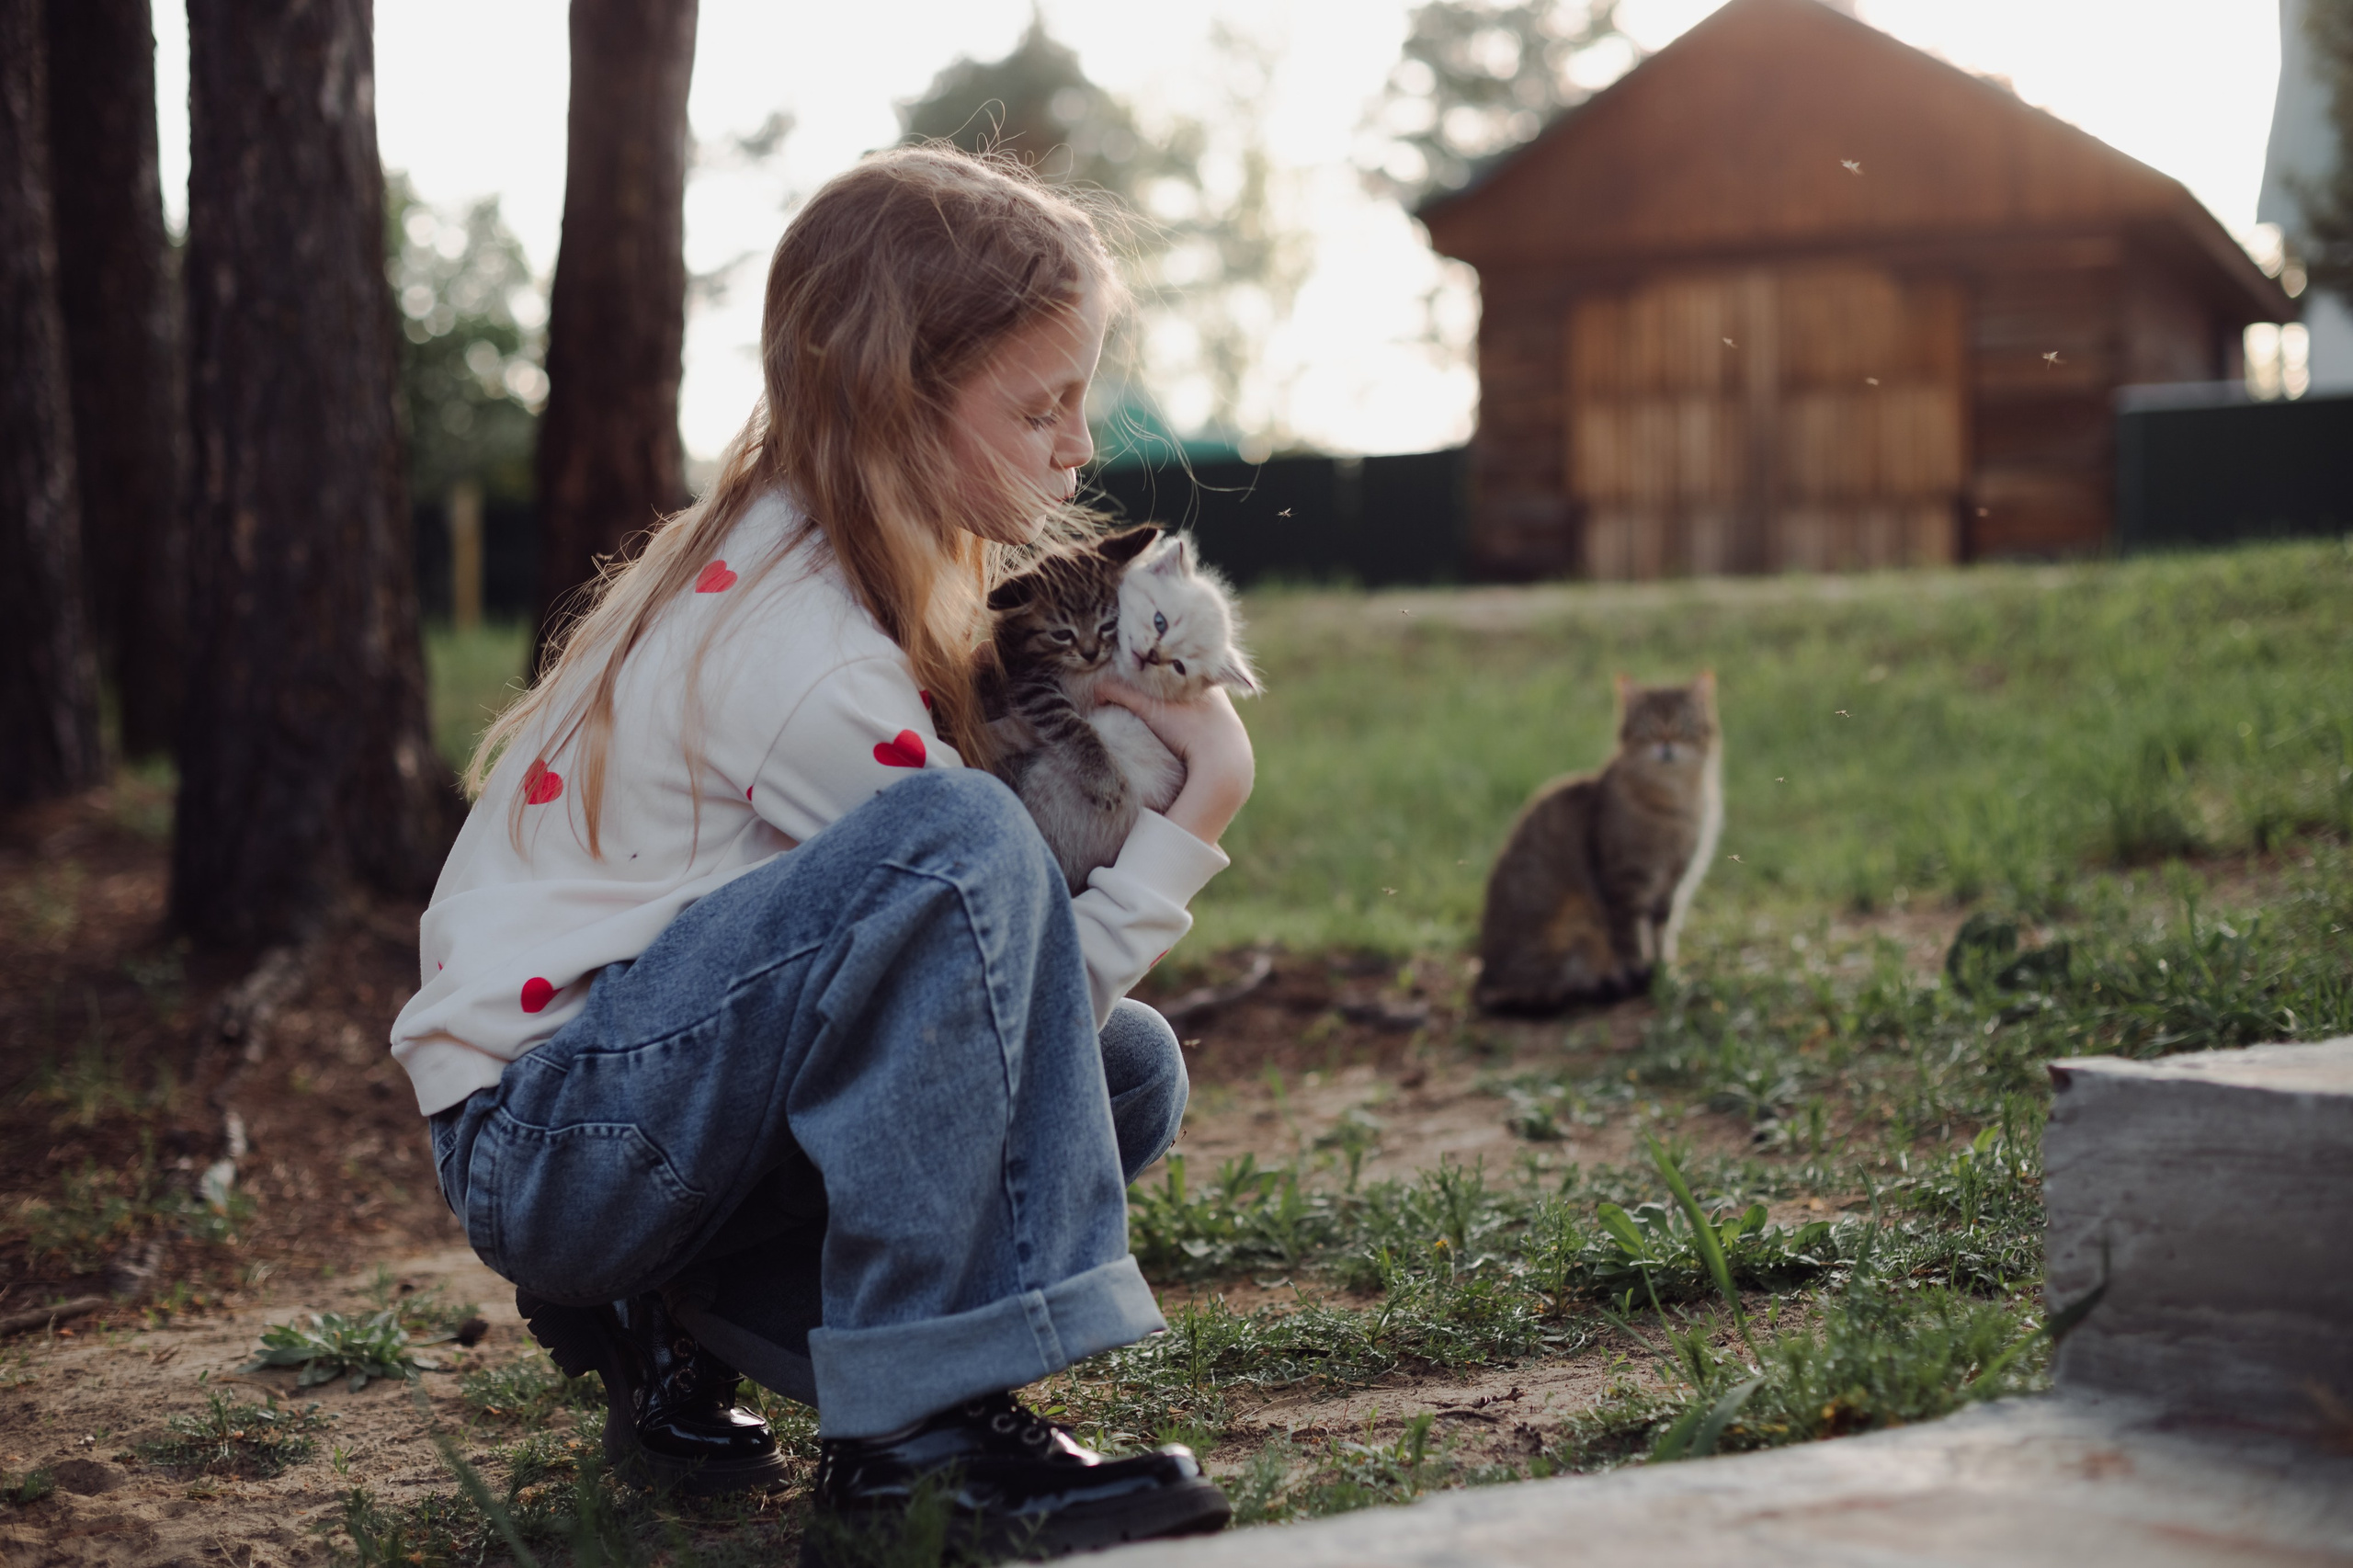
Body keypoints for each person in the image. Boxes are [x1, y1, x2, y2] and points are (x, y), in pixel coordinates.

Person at [389, 146, 1253, 1555]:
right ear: (899, 403)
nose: (1078, 446)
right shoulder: (807, 661)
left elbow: (985, 1017)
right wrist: (1193, 813)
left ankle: (674, 1300)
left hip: (642, 1106)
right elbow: (992, 970)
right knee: (967, 840)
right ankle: (916, 1438)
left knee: (1127, 1074)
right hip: (563, 1138)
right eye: (1041, 405)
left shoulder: (805, 548)